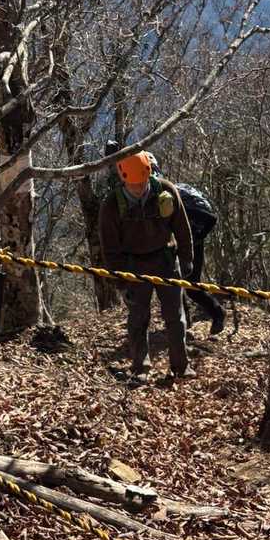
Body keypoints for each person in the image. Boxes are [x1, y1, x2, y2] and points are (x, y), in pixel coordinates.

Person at [99, 150, 195, 384]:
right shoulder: (112, 205)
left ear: (149, 174)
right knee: (138, 318)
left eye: (142, 183)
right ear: (123, 179)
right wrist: (120, 282)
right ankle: (140, 368)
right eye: (133, 185)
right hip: (133, 266)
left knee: (175, 316)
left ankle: (181, 366)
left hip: (166, 260)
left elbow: (182, 228)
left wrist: (186, 258)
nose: (138, 188)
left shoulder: (165, 191)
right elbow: (110, 248)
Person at [145, 153, 225, 333]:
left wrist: (195, 238)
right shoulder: (171, 191)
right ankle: (190, 320)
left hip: (191, 238)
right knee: (183, 284)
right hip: (191, 237)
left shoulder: (168, 193)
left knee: (185, 284)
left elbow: (210, 218)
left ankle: (214, 315)